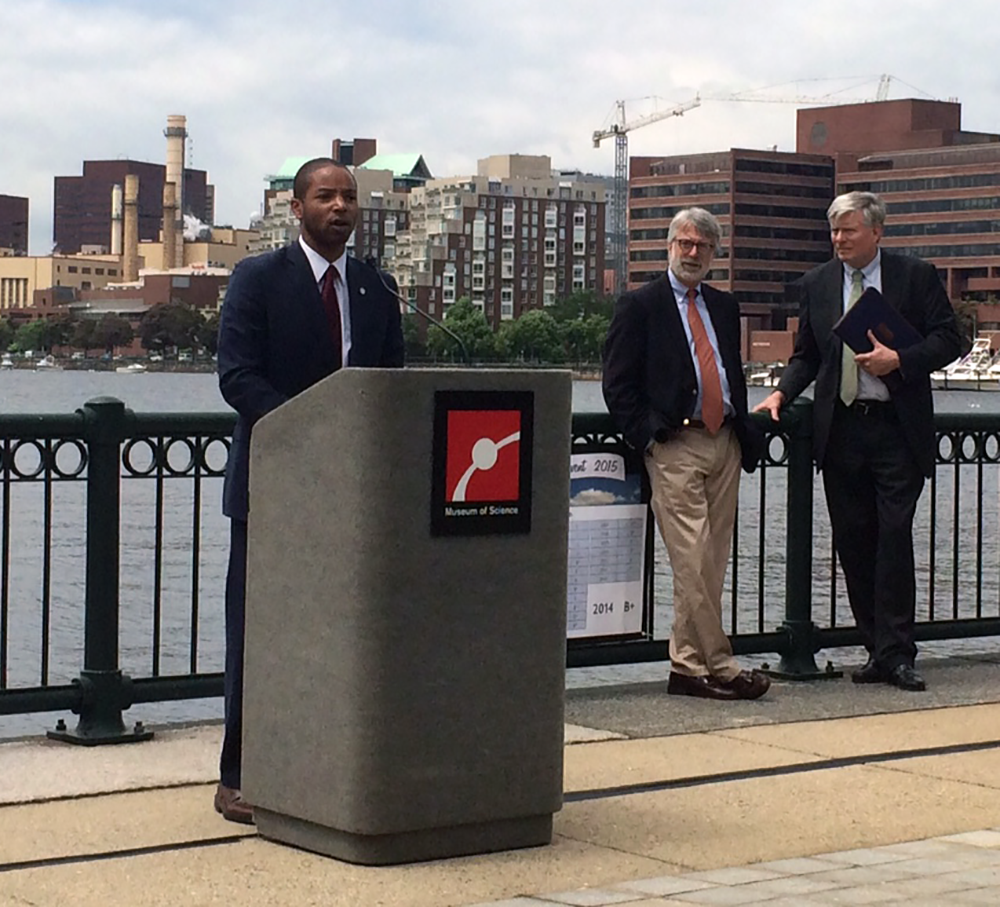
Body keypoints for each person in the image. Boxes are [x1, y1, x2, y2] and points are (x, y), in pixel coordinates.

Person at [214, 158, 404, 823]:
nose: (341, 206)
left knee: (345, 637)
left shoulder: (377, 287)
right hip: (276, 489)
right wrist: (311, 436)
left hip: (356, 499)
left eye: (350, 197)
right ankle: (239, 773)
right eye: (326, 196)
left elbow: (391, 385)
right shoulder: (258, 278)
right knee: (259, 634)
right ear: (297, 208)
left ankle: (331, 768)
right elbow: (238, 378)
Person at [754, 191, 961, 692]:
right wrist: (781, 392)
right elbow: (807, 354)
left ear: (877, 232)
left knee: (893, 536)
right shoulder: (819, 283)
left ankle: (898, 653)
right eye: (834, 231)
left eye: (848, 230)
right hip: (841, 430)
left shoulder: (915, 276)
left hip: (896, 427)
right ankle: (876, 649)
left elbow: (951, 339)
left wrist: (901, 361)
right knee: (853, 542)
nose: (839, 239)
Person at [602, 207, 768, 701]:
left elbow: (726, 367)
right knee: (692, 558)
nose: (693, 252)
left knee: (710, 563)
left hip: (726, 442)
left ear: (715, 254)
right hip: (675, 445)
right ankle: (721, 664)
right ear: (669, 247)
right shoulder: (640, 306)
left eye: (703, 246)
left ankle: (686, 667)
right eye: (685, 243)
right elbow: (617, 384)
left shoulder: (724, 305)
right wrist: (650, 436)